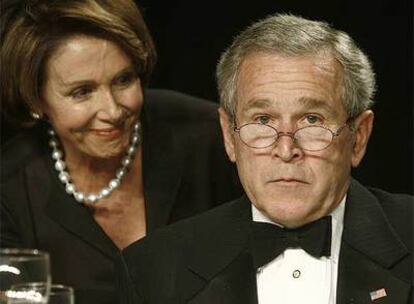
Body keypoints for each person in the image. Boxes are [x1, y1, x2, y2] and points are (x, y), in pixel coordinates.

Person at [120, 14, 413, 303]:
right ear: (228, 136)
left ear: (358, 137)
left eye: (312, 120)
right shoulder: (153, 270)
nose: (286, 151)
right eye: (262, 120)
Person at [0, 1, 242, 303]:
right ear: (36, 100)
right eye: (82, 92)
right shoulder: (10, 187)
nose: (113, 111)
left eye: (124, 80)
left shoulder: (209, 136)